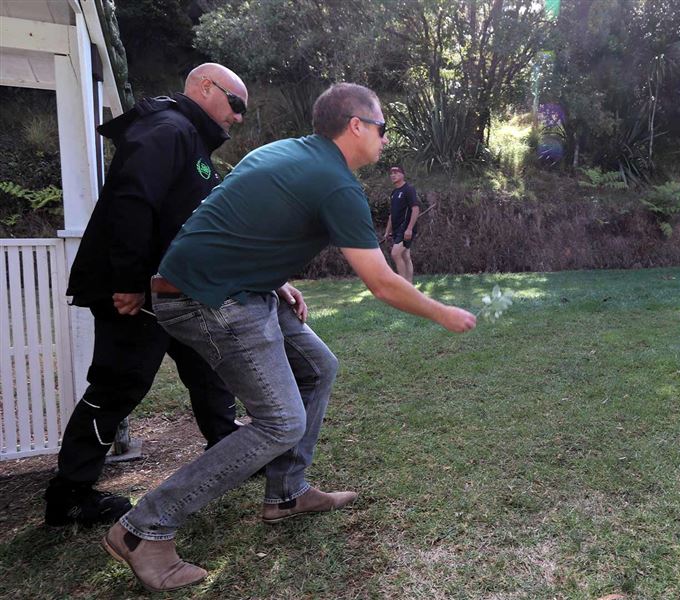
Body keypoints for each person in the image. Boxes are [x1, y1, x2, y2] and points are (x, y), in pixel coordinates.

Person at [102, 83, 476, 592]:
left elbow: (232, 219)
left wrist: (274, 279)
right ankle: (143, 528)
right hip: (207, 297)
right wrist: (443, 313)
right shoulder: (335, 183)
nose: (386, 139)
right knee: (280, 422)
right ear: (356, 126)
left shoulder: (286, 152)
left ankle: (287, 492)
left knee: (319, 367)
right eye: (383, 127)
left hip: (236, 287)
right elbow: (382, 282)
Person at [45, 63, 249, 528]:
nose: (238, 117)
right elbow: (131, 200)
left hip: (171, 290)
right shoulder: (167, 128)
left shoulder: (191, 139)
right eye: (235, 104)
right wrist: (130, 280)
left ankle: (230, 449)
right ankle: (69, 495)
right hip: (135, 291)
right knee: (119, 384)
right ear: (204, 87)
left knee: (207, 365)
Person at [384, 166, 421, 282]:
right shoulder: (394, 193)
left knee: (395, 254)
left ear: (403, 175)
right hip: (397, 229)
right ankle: (409, 285)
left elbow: (415, 209)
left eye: (396, 173)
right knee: (405, 256)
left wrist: (409, 229)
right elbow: (392, 214)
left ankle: (403, 284)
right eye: (391, 173)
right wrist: (387, 231)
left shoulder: (409, 189)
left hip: (406, 229)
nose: (393, 175)